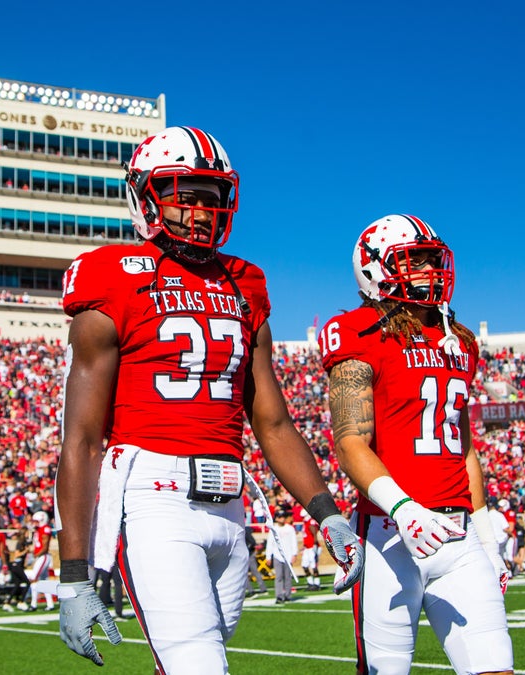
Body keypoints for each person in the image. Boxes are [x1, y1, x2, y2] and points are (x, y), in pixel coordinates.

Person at [56, 126, 364, 672]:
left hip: (230, 504)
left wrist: (328, 514)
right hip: (155, 497)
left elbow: (273, 423)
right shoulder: (113, 275)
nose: (199, 211)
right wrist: (74, 574)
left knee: (196, 660)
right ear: (146, 195)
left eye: (211, 197)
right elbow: (80, 439)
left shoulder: (246, 283)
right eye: (183, 194)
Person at [320, 214, 513, 675]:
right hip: (390, 534)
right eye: (414, 262)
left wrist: (487, 540)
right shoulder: (358, 331)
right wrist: (404, 509)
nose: (430, 271)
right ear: (376, 270)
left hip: (460, 534)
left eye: (432, 260)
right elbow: (350, 441)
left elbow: (463, 446)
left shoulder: (458, 343)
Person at [268, 511, 299, 604]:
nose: (282, 518)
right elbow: (270, 543)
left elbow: (294, 542)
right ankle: (279, 596)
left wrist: (294, 554)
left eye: (283, 517)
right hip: (277, 555)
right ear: (276, 518)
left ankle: (288, 595)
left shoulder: (290, 529)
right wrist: (268, 556)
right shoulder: (273, 529)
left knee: (287, 577)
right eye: (280, 517)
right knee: (279, 577)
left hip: (288, 555)